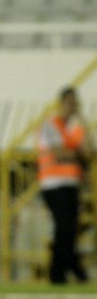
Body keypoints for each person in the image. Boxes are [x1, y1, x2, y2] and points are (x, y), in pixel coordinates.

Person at [37, 86, 93, 284]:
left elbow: (89, 152)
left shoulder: (75, 128)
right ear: (61, 104)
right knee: (63, 226)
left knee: (70, 229)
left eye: (75, 104)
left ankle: (66, 269)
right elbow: (60, 154)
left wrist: (83, 121)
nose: (72, 107)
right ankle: (62, 271)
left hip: (71, 184)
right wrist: (78, 155)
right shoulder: (50, 125)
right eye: (69, 103)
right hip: (53, 184)